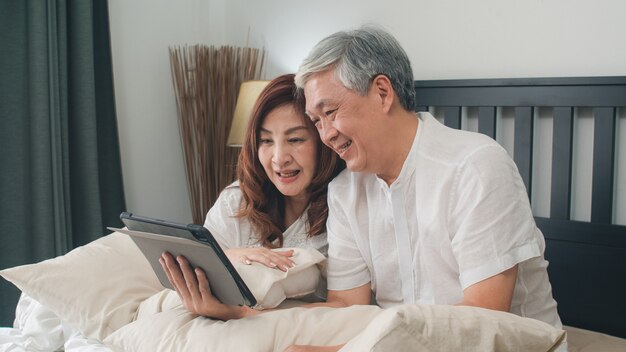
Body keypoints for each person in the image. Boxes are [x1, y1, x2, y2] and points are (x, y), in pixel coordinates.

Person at [287, 25, 563, 351]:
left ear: (382, 93)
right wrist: (246, 314)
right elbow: (348, 306)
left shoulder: (476, 167)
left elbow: (483, 319)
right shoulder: (345, 193)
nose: (326, 134)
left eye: (330, 112)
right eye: (316, 121)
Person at [159, 73, 344, 320]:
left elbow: (345, 305)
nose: (279, 157)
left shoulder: (345, 209)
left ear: (323, 141)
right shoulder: (236, 200)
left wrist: (239, 314)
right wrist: (229, 255)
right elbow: (198, 263)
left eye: (295, 139)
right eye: (265, 140)